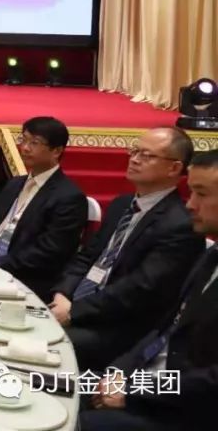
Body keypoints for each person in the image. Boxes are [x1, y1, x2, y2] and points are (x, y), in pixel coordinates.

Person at [80, 150, 218, 431]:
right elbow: (165, 329)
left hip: (181, 409)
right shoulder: (211, 255)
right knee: (41, 384)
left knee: (69, 421)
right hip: (147, 380)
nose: (190, 204)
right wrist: (119, 372)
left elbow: (210, 382)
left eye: (202, 194)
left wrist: (132, 394)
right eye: (191, 192)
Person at [48, 127, 203, 372]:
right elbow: (87, 256)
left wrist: (74, 312)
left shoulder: (180, 225)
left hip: (118, 326)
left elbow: (140, 289)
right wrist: (63, 294)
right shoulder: (122, 204)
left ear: (174, 168)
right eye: (134, 151)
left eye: (146, 155)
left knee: (41, 344)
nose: (135, 159)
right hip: (78, 305)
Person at [0, 116, 87, 302]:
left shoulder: (69, 197)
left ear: (56, 151)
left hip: (25, 279)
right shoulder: (14, 184)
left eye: (34, 143)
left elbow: (48, 252)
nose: (25, 147)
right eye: (23, 139)